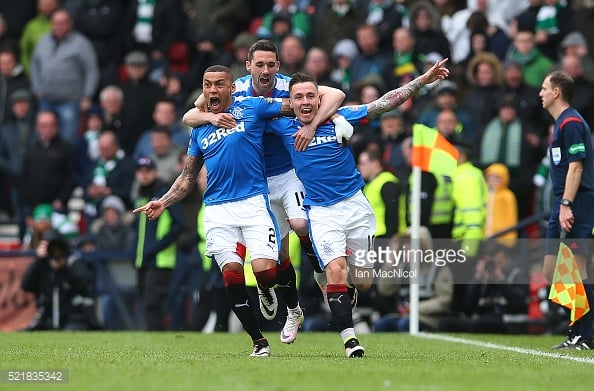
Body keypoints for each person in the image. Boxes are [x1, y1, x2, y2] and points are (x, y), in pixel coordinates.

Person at [266, 59, 450, 357]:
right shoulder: (283, 127)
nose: (304, 101)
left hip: (355, 208)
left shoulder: (340, 117)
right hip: (322, 212)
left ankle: (348, 286)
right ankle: (351, 340)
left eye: (310, 95)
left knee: (363, 282)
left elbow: (383, 103)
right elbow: (244, 115)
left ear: (319, 97)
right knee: (334, 272)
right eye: (297, 97)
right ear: (290, 101)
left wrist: (420, 81)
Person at [183, 39, 348, 341]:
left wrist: (313, 125)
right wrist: (210, 116)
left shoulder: (289, 87)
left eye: (271, 64)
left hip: (288, 172)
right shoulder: (236, 89)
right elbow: (190, 115)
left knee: (301, 223)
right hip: (259, 182)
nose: (265, 70)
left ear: (278, 66)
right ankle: (291, 309)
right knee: (277, 258)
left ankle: (322, 275)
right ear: (248, 67)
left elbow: (336, 94)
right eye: (259, 64)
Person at [134, 65, 297, 357]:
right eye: (207, 84)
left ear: (232, 88)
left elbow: (293, 106)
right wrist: (164, 201)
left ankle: (270, 292)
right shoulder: (200, 129)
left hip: (253, 202)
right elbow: (187, 177)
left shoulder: (251, 108)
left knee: (265, 271)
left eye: (220, 84)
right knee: (231, 274)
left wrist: (316, 102)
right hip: (218, 209)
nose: (213, 90)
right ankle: (258, 342)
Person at [540, 70, 594, 350]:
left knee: (578, 268)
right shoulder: (561, 123)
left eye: (544, 88)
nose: (541, 93)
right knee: (552, 270)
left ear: (557, 92)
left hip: (576, 202)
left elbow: (576, 167)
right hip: (562, 203)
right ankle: (581, 329)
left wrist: (566, 204)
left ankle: (584, 334)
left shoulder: (571, 122)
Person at [132, 157, 184, 331]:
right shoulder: (141, 197)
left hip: (160, 260)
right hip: (143, 260)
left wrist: (156, 247)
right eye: (141, 171)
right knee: (148, 303)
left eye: (148, 171)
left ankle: (158, 340)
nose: (144, 175)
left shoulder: (163, 196)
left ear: (155, 172)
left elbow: (179, 224)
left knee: (152, 304)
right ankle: (157, 339)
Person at [21, 230, 101, 330]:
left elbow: (83, 284)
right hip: (47, 316)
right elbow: (26, 285)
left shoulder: (73, 262)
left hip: (73, 316)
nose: (55, 251)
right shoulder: (41, 265)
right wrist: (38, 260)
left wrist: (63, 267)